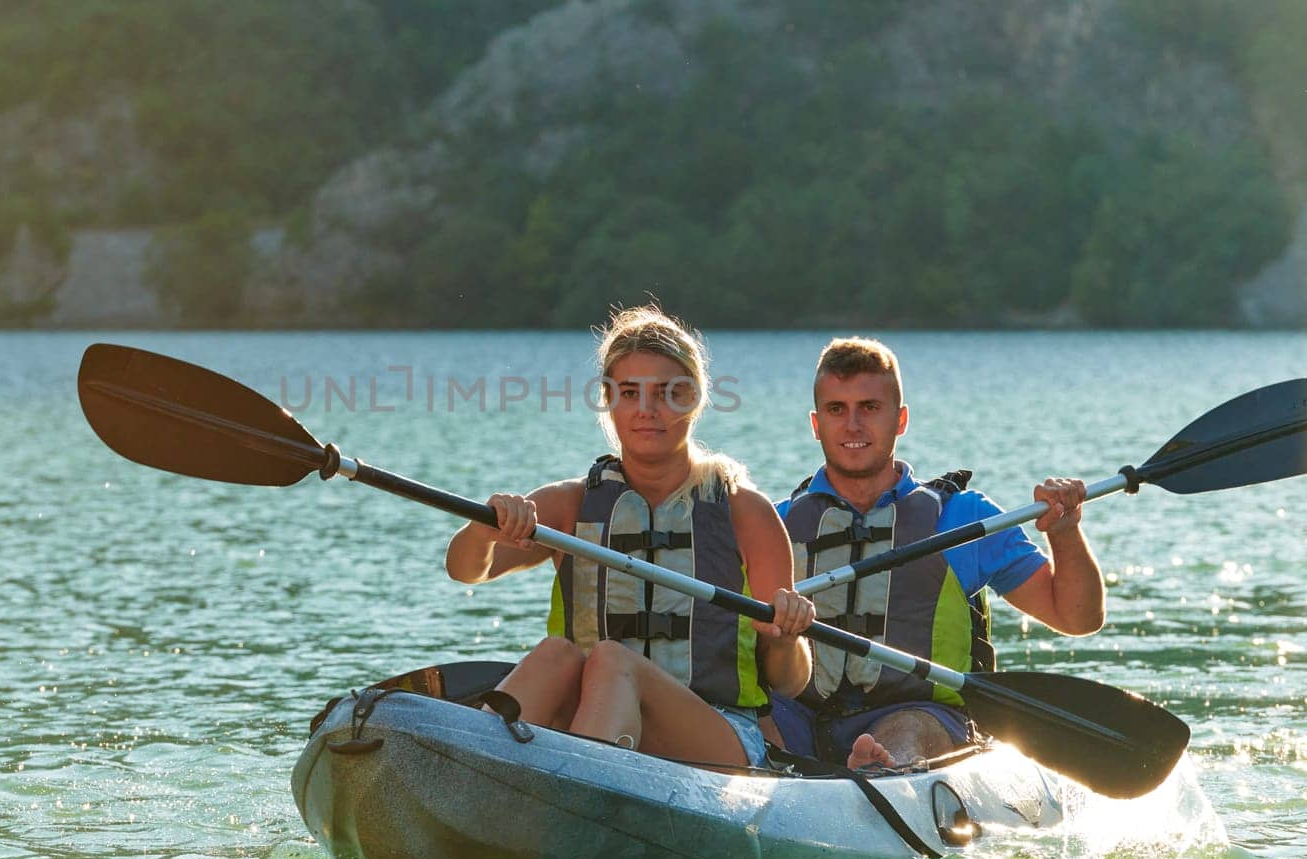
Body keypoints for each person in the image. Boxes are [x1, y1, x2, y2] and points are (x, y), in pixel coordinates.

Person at [445, 305, 816, 770]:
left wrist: (784, 638)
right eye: (629, 393)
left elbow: (791, 682)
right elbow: (464, 568)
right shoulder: (569, 505)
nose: (647, 411)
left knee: (611, 661)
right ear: (609, 400)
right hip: (592, 723)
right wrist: (484, 528)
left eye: (668, 393)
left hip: (717, 736)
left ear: (695, 399)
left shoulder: (746, 512)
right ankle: (469, 776)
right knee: (558, 654)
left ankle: (574, 793)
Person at [768, 337, 1104, 771]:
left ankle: (880, 768)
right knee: (750, 718)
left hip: (922, 716)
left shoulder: (964, 519)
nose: (852, 426)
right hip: (800, 717)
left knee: (907, 732)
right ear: (816, 424)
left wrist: (1065, 532)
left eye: (869, 407)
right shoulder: (775, 525)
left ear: (900, 419)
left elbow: (1077, 618)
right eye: (837, 410)